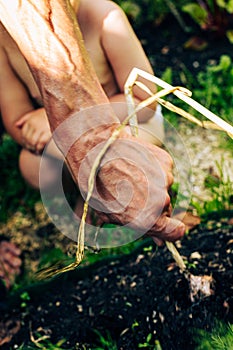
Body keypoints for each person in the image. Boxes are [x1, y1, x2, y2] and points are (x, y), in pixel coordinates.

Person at [0, 0, 185, 288]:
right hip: (61, 135)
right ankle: (86, 199)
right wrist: (46, 124)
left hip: (127, 122)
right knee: (32, 164)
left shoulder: (104, 16)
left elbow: (145, 103)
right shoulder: (5, 40)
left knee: (133, 150)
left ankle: (150, 202)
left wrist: (78, 121)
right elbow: (17, 120)